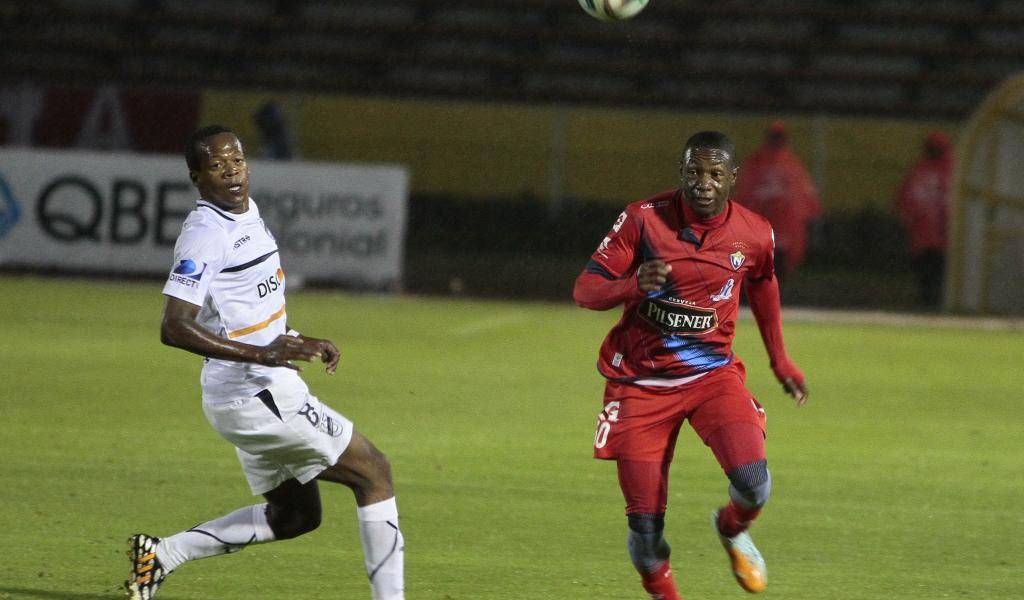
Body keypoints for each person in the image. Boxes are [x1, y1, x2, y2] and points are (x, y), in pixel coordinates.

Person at [123, 125, 404, 599]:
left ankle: (163, 554)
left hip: (250, 393)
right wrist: (262, 354)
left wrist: (292, 338)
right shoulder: (206, 234)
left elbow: (247, 308)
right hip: (257, 395)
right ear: (197, 177)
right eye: (217, 165)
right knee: (374, 472)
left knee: (294, 516)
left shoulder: (247, 213)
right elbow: (174, 327)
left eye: (237, 161)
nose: (232, 172)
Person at [573, 131, 808, 599]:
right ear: (680, 172)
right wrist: (633, 285)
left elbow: (763, 282)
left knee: (754, 484)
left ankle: (731, 527)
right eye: (694, 172)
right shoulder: (643, 219)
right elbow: (586, 290)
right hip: (639, 383)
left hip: (711, 377)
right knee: (645, 534)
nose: (704, 183)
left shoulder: (755, 232)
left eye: (715, 174)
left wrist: (780, 359)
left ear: (733, 178)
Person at [733, 120, 822, 277]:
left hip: (781, 221)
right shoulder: (760, 162)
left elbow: (803, 193)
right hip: (768, 220)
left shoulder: (789, 164)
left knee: (777, 258)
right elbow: (746, 190)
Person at [895, 130, 953, 308]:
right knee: (932, 270)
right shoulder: (950, 171)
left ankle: (932, 299)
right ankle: (931, 300)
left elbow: (904, 201)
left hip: (930, 234)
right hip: (934, 234)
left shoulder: (920, 171)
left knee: (932, 271)